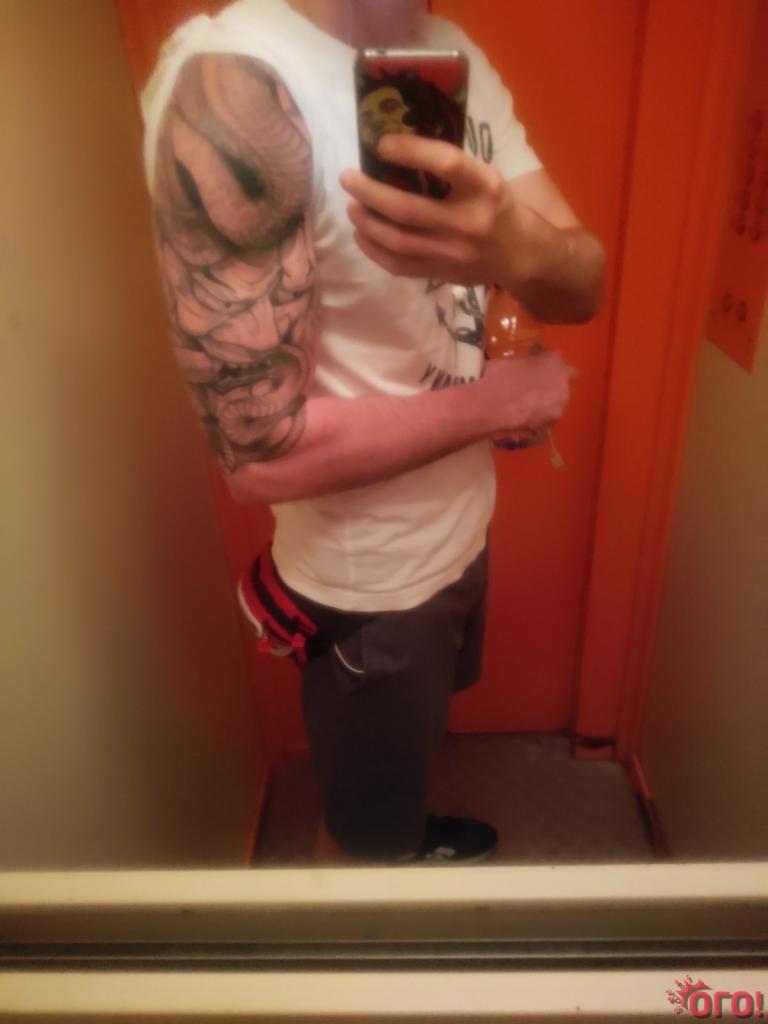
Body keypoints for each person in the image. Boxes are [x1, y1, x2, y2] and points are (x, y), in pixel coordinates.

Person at [141, 0, 605, 864]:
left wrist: (511, 251)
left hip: (459, 528)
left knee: (406, 759)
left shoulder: (448, 50)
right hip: (371, 593)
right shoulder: (239, 87)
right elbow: (259, 459)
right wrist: (495, 405)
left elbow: (584, 280)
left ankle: (407, 829)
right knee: (362, 849)